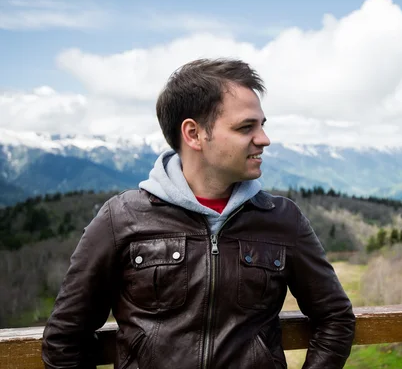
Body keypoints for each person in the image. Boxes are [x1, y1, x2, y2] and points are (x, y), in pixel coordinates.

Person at [41, 58, 356, 368]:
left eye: (261, 125)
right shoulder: (121, 218)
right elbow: (65, 339)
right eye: (246, 127)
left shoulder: (283, 220)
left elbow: (335, 318)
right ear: (193, 134)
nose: (264, 139)